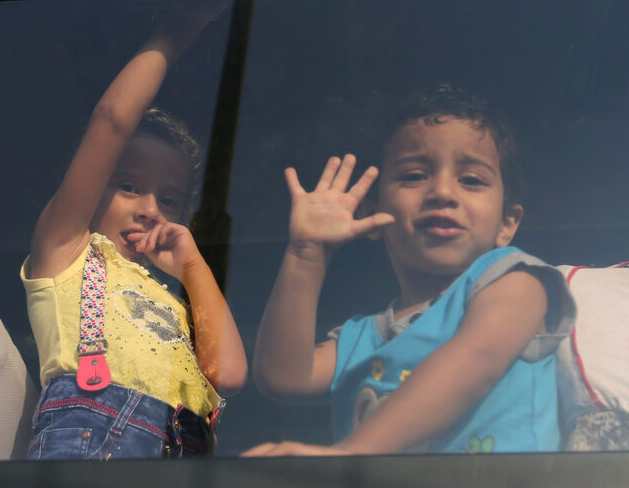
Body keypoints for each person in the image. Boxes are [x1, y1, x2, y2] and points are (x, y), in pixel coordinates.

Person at [245, 86, 575, 456]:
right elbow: (282, 376)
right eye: (415, 175)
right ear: (372, 214)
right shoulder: (359, 337)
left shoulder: (516, 280)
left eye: (471, 180)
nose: (442, 192)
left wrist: (352, 454)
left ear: (507, 223)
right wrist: (306, 255)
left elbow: (475, 361)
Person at [21, 2, 247, 460]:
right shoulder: (66, 251)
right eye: (129, 186)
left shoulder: (172, 300)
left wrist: (192, 266)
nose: (149, 209)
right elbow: (112, 121)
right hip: (93, 443)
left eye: (169, 199)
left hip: (183, 456)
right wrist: (181, 25)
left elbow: (232, 374)